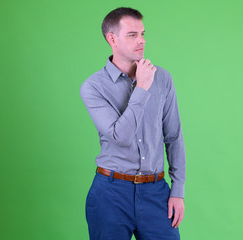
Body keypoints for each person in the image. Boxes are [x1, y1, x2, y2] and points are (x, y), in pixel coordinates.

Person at [79, 7, 186, 240]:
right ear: (112, 39)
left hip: (156, 192)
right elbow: (121, 137)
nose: (142, 41)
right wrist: (142, 88)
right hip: (111, 194)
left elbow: (174, 137)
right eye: (132, 35)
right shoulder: (93, 87)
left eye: (143, 33)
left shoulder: (163, 78)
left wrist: (177, 191)